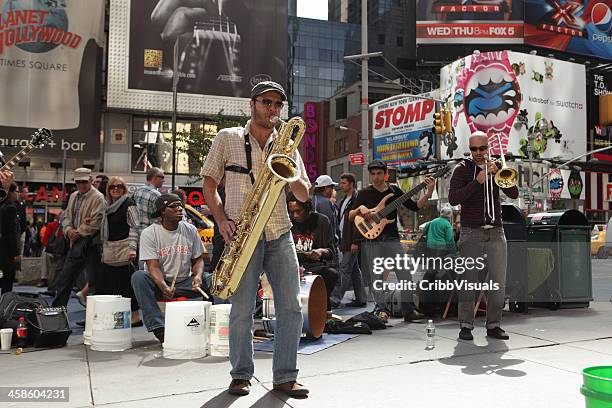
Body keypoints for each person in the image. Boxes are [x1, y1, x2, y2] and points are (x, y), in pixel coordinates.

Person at [201, 81, 310, 398]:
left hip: (279, 232)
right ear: (252, 104)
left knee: (290, 307)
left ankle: (286, 377)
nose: (273, 109)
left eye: (278, 104)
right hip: (243, 233)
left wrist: (299, 180)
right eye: (267, 103)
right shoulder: (228, 138)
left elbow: (302, 192)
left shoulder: (287, 143)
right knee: (242, 309)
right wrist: (220, 220)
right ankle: (240, 375)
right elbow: (209, 184)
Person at [448, 131, 519, 341]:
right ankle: (466, 326)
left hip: (496, 230)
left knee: (498, 281)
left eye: (482, 148)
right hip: (471, 231)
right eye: (474, 149)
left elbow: (514, 194)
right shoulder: (462, 169)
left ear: (488, 147)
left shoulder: (496, 167)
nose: (478, 153)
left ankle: (494, 325)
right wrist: (477, 181)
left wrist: (499, 173)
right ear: (469, 150)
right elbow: (453, 199)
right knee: (469, 280)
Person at [349, 160, 435, 323]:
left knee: (405, 273)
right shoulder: (364, 193)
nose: (376, 177)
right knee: (377, 277)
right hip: (372, 240)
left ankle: (408, 310)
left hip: (392, 237)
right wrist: (361, 209)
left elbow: (415, 206)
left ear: (385, 173)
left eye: (379, 173)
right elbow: (350, 216)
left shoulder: (394, 190)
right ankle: (381, 310)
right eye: (373, 174)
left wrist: (429, 192)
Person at [131, 194, 210, 342]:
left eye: (180, 205)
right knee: (139, 277)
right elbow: (152, 266)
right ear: (162, 212)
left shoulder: (190, 230)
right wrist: (163, 286)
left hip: (186, 282)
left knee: (214, 280)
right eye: (173, 206)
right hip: (160, 283)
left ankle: (217, 323)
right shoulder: (149, 233)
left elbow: (198, 259)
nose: (179, 208)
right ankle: (159, 329)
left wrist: (198, 276)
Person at [52, 168, 106, 307]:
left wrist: (77, 232)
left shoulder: (98, 197)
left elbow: (96, 221)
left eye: (84, 182)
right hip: (76, 242)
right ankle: (57, 312)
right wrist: (69, 230)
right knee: (65, 279)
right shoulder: (74, 195)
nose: (81, 185)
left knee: (94, 282)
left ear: (90, 181)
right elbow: (67, 217)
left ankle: (92, 317)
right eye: (78, 182)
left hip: (93, 244)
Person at [97, 177, 142, 326]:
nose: (116, 189)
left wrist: (132, 248)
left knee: (126, 285)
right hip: (110, 249)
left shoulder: (129, 203)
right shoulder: (107, 206)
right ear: (108, 189)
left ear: (124, 188)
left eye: (120, 186)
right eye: (112, 187)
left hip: (125, 250)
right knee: (109, 285)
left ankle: (135, 316)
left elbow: (135, 227)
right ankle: (112, 316)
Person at [287, 193, 338, 310]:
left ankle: (321, 310)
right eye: (291, 212)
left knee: (331, 274)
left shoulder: (322, 221)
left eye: (299, 211)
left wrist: (321, 251)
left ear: (308, 208)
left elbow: (331, 252)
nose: (295, 215)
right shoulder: (288, 222)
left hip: (315, 267)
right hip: (293, 267)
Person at [330, 173, 367, 308]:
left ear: (351, 183)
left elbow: (360, 223)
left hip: (352, 241)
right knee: (354, 271)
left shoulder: (357, 199)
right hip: (344, 240)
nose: (341, 186)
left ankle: (335, 298)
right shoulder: (344, 199)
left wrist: (356, 241)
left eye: (344, 183)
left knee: (345, 269)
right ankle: (361, 298)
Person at [419, 206, 457, 317]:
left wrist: (428, 237)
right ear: (450, 215)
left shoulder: (432, 221)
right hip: (441, 250)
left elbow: (424, 230)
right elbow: (450, 240)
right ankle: (438, 302)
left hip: (430, 249)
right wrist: (454, 252)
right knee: (439, 273)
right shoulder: (447, 225)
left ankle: (428, 302)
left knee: (431, 272)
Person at [0, 183, 21, 295]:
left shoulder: (2, 206)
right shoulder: (11, 208)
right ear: (11, 192)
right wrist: (16, 253)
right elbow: (11, 233)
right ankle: (4, 307)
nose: (18, 194)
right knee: (7, 282)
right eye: (17, 191)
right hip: (7, 252)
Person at [133, 167, 165, 237]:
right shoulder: (157, 195)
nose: (164, 180)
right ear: (155, 178)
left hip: (136, 233)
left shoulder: (137, 191)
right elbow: (161, 218)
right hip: (151, 234)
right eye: (162, 177)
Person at [312, 174, 339, 242]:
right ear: (326, 188)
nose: (333, 190)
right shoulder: (325, 202)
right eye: (332, 187)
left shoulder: (312, 200)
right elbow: (330, 224)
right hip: (324, 242)